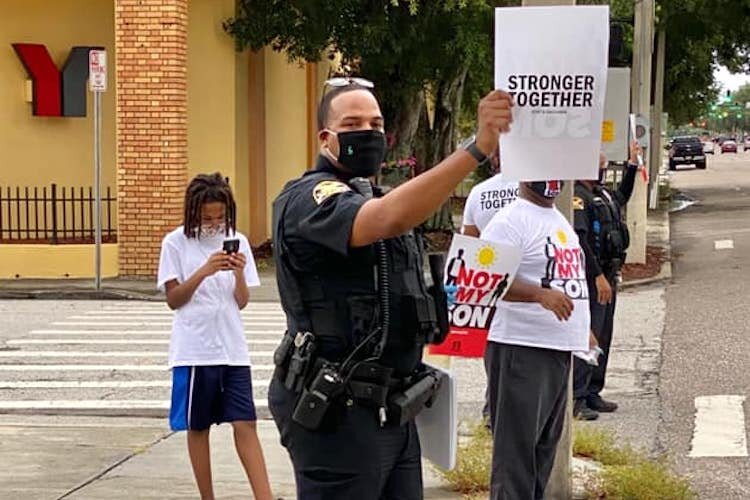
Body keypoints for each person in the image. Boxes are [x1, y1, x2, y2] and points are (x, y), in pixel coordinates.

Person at [268, 77, 513, 499]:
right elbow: (385, 219)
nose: (369, 131)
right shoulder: (310, 198)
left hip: (391, 406)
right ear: (326, 138)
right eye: (353, 122)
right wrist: (476, 149)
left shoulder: (371, 195)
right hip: (337, 411)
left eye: (377, 123)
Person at [157, 173, 273, 500]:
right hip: (195, 350)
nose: (214, 223)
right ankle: (208, 497)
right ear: (193, 212)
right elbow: (174, 299)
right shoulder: (175, 243)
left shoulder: (237, 240)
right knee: (198, 427)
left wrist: (236, 271)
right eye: (207, 217)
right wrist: (204, 271)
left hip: (233, 349)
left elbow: (242, 301)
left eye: (220, 217)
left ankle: (264, 496)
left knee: (245, 421)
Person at [482, 180, 593, 500]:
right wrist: (537, 295)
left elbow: (567, 280)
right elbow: (481, 278)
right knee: (516, 458)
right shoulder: (509, 221)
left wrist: (582, 326)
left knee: (542, 451)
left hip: (556, 349)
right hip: (522, 348)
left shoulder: (556, 219)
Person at [572, 142, 643, 420]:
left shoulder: (601, 194)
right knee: (589, 335)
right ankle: (577, 397)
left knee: (603, 336)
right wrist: (597, 276)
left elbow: (622, 197)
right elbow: (580, 241)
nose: (603, 171)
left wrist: (633, 165)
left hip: (609, 274)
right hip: (594, 277)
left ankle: (592, 390)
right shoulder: (578, 197)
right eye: (599, 167)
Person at [461, 148, 519, 237]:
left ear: (495, 159)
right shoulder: (533, 189)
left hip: (490, 249)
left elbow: (469, 238)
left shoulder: (477, 192)